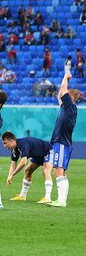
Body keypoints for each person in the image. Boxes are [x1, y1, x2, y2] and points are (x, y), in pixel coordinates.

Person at [47, 73, 79, 207]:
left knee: (58, 170)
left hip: (61, 142)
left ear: (70, 98)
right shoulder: (65, 108)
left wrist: (66, 77)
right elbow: (61, 92)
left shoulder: (70, 107)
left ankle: (61, 200)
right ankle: (62, 199)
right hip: (62, 143)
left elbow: (63, 90)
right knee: (62, 172)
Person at [2, 132, 53, 203]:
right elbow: (13, 163)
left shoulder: (22, 144)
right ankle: (22, 196)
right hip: (38, 155)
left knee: (45, 171)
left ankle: (47, 198)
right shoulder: (14, 149)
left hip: (48, 151)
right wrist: (9, 176)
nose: (4, 145)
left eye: (5, 143)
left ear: (12, 141)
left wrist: (13, 175)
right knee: (27, 171)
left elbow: (23, 162)